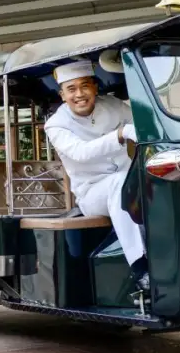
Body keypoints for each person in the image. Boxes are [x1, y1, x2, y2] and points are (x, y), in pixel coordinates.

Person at [43, 61, 150, 291]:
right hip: (92, 193)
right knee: (119, 184)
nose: (79, 94)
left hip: (131, 181)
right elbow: (81, 153)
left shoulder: (112, 105)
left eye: (85, 86)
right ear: (62, 95)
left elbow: (143, 125)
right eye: (71, 89)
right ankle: (140, 267)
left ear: (95, 88)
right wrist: (120, 134)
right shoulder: (56, 125)